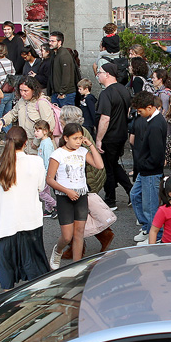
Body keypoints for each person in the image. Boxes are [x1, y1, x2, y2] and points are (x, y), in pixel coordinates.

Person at [0, 126, 50, 290]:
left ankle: (8, 307)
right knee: (35, 270)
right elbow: (41, 187)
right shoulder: (36, 162)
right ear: (25, 143)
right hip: (30, 222)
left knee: (7, 273)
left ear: (6, 142)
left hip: (5, 225)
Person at [56, 106, 115, 261]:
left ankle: (95, 240)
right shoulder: (80, 134)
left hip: (85, 182)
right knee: (80, 220)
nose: (59, 120)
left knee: (80, 221)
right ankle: (80, 248)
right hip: (86, 181)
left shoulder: (77, 137)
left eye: (62, 118)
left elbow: (90, 162)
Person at [46, 122, 104, 265]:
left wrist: (90, 145)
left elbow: (100, 165)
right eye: (75, 138)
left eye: (80, 138)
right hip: (64, 197)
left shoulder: (83, 152)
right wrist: (67, 191)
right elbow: (49, 179)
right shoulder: (57, 154)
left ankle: (76, 266)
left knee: (79, 233)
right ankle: (58, 250)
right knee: (67, 236)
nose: (78, 142)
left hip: (81, 195)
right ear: (66, 138)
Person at [129, 91, 167, 243]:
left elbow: (157, 155)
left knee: (150, 206)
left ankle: (156, 236)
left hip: (150, 172)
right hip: (145, 170)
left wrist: (144, 164)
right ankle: (147, 228)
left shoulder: (156, 125)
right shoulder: (153, 121)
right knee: (135, 195)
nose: (139, 114)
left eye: (140, 111)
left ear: (150, 107)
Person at [95, 61, 133, 207]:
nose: (98, 75)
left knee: (108, 168)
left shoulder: (106, 94)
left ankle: (110, 199)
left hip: (109, 136)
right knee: (113, 165)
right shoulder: (124, 90)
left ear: (108, 74)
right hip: (121, 133)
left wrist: (99, 139)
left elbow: (105, 118)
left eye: (100, 72)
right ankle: (130, 191)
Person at [48, 31, 78, 107]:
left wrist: (62, 92)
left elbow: (66, 75)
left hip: (66, 94)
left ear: (59, 42)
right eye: (49, 40)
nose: (50, 43)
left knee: (68, 117)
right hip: (57, 93)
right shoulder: (55, 54)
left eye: (53, 41)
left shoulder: (64, 55)